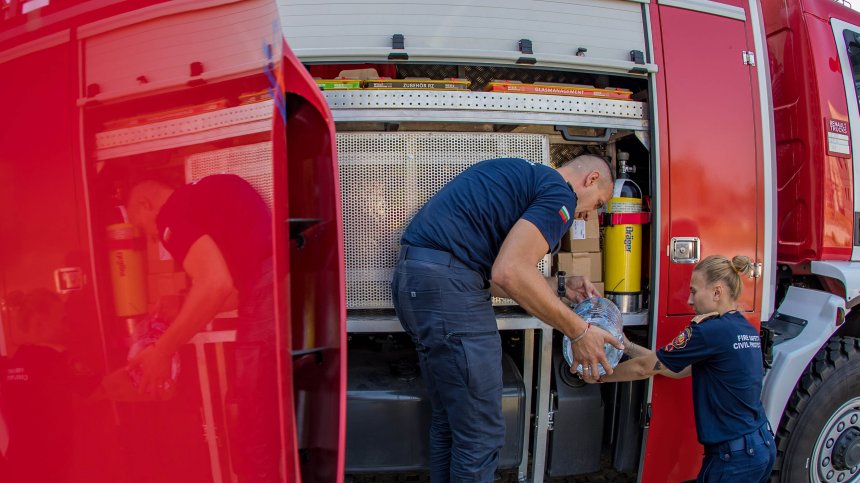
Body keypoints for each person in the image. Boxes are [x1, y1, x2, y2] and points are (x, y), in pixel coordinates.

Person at [391, 154, 622, 482]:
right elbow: (509, 273)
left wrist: (560, 285)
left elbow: (507, 268)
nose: (587, 213)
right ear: (591, 178)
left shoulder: (527, 177)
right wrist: (580, 331)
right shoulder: (561, 195)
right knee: (481, 433)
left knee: (452, 423)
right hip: (449, 289)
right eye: (598, 202)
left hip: (418, 282)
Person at [126, 174, 279, 483]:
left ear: (146, 203)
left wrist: (162, 350)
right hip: (277, 290)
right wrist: (182, 303)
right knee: (269, 416)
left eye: (146, 230)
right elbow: (233, 287)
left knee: (253, 423)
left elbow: (214, 285)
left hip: (267, 297)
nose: (156, 240)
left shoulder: (172, 213)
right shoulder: (209, 193)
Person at [587, 255, 775, 483]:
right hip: (760, 447)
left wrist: (598, 376)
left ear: (717, 292)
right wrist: (627, 345)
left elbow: (643, 369)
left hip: (733, 459)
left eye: (694, 291)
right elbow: (675, 369)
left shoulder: (709, 331)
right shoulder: (743, 328)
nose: (689, 300)